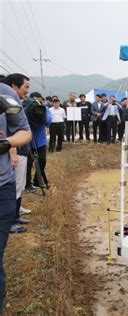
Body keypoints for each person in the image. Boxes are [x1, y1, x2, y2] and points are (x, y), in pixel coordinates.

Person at [0, 79, 32, 309]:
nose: (27, 90)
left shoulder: (4, 93)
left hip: (2, 187)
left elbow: (24, 132)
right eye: (25, 87)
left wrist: (6, 143)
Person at [23, 92, 52, 190]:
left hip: (40, 140)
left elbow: (48, 121)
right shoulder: (25, 109)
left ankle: (37, 180)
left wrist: (41, 117)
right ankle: (27, 184)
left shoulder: (44, 108)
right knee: (29, 162)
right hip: (28, 140)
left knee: (42, 160)